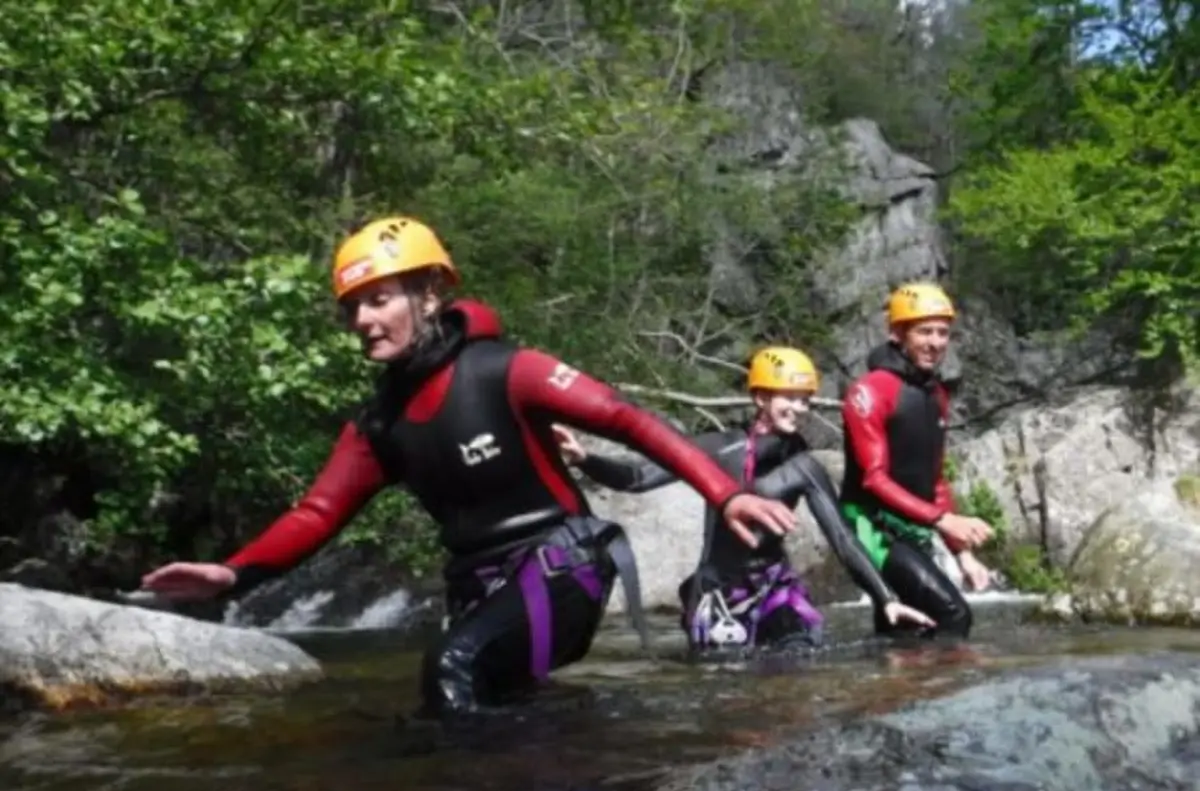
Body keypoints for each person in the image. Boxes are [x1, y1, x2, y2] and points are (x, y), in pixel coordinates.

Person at [139, 216, 797, 716]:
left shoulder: (507, 371)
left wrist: (724, 493)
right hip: (482, 587)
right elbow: (317, 513)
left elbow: (627, 419)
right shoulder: (378, 426)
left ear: (429, 293)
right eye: (352, 308)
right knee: (483, 703)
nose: (362, 321)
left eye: (379, 299)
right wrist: (232, 572)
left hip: (564, 568)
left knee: (453, 669)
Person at [554, 346, 935, 652]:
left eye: (806, 401)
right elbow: (637, 478)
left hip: (774, 589)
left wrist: (884, 597)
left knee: (800, 666)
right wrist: (585, 459)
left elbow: (842, 538)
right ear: (759, 397)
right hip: (718, 592)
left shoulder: (804, 466)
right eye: (791, 398)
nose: (801, 410)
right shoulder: (719, 449)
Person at [839, 282, 995, 639]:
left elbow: (934, 480)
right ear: (897, 333)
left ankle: (899, 691)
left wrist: (963, 554)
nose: (936, 342)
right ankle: (937, 690)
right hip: (869, 526)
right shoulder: (869, 392)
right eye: (924, 331)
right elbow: (873, 480)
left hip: (911, 525)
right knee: (953, 616)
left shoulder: (935, 394)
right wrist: (942, 521)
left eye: (943, 333)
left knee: (908, 626)